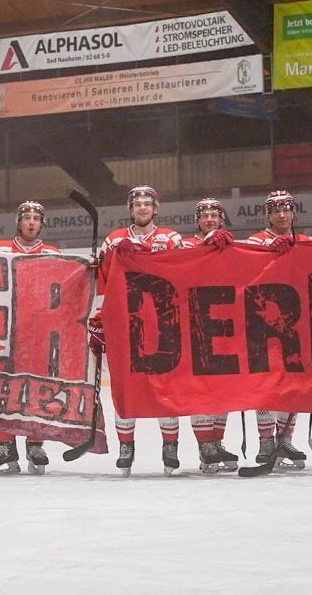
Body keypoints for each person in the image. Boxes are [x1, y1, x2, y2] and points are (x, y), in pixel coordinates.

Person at [90, 185, 184, 477]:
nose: (142, 208)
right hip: (125, 325)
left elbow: (186, 274)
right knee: (126, 386)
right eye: (137, 204)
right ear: (130, 210)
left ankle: (170, 447)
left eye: (148, 203)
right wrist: (100, 315)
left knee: (164, 388)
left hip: (164, 324)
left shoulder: (171, 239)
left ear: (155, 209)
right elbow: (104, 281)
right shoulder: (114, 240)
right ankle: (126, 447)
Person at [0, 201, 62, 475]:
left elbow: (66, 287)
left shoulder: (53, 253)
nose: (31, 223)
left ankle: (35, 443)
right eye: (26, 218)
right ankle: (4, 444)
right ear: (18, 222)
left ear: (42, 224)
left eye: (36, 219)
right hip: (2, 329)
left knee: (36, 388)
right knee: (0, 388)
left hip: (38, 332)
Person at [246, 189, 310, 469]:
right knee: (266, 384)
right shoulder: (255, 241)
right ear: (268, 214)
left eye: (286, 209)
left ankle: (285, 437)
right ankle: (265, 441)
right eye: (275, 210)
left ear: (293, 212)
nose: (281, 214)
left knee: (291, 383)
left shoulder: (305, 242)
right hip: (263, 322)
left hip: (298, 325)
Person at [179, 198, 239, 473]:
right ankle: (205, 444)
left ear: (222, 220)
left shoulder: (231, 244)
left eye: (215, 216)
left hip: (225, 321)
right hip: (195, 323)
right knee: (200, 386)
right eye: (204, 216)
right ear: (197, 221)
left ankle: (216, 440)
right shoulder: (184, 246)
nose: (210, 219)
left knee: (223, 387)